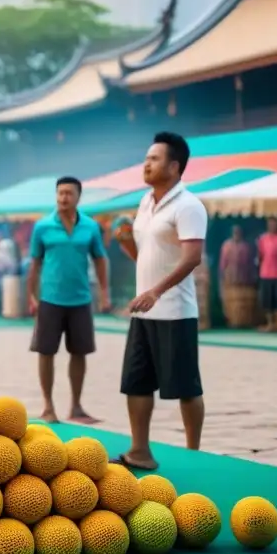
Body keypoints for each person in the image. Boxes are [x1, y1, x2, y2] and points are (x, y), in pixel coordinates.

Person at [114, 132, 208, 471]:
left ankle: (193, 452)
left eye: (154, 159)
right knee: (136, 382)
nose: (146, 163)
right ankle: (140, 450)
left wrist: (157, 291)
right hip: (144, 313)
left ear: (174, 166)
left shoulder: (189, 206)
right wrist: (126, 243)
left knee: (185, 386)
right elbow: (145, 256)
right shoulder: (144, 202)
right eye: (146, 158)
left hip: (176, 312)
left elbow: (192, 258)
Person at [27, 177, 110, 424]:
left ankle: (76, 406)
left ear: (78, 197)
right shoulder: (42, 226)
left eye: (68, 194)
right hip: (50, 299)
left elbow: (100, 259)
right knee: (46, 352)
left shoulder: (90, 227)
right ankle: (48, 406)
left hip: (81, 299)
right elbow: (35, 264)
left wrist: (104, 293)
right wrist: (32, 295)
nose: (63, 198)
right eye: (60, 193)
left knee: (80, 352)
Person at [218, 224, 256, 328]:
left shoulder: (245, 246)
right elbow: (223, 263)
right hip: (230, 278)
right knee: (230, 301)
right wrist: (222, 276)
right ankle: (232, 322)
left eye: (238, 232)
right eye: (235, 232)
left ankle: (242, 322)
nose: (237, 234)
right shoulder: (226, 245)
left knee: (242, 301)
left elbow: (250, 263)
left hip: (243, 278)